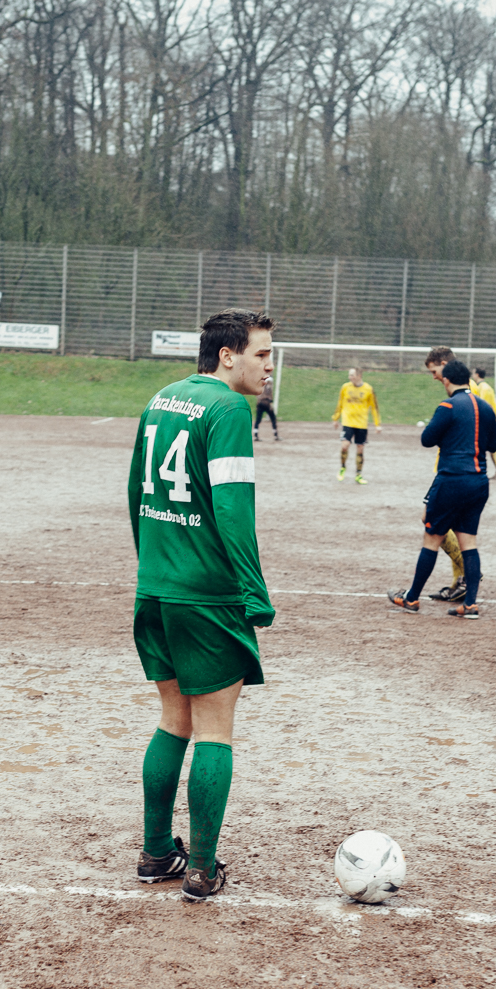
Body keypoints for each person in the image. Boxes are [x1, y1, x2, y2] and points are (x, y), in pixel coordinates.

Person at [128, 308, 275, 904]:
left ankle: (156, 852)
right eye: (262, 354)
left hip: (156, 587)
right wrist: (253, 588)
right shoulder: (228, 410)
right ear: (227, 356)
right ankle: (202, 869)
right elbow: (233, 508)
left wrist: (151, 565)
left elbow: (135, 489)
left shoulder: (161, 399)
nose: (269, 366)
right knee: (215, 728)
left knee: (174, 718)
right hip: (208, 595)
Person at [389, 357, 496, 619]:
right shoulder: (485, 407)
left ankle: (411, 598)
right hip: (479, 481)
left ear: (447, 380)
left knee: (432, 538)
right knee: (468, 542)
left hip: (451, 480)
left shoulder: (447, 405)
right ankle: (470, 605)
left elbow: (427, 439)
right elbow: (493, 445)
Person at [421, 347, 467, 605]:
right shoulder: (461, 390)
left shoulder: (465, 393)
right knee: (455, 527)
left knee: (430, 519)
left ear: (444, 363)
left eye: (434, 371)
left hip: (454, 471)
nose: (435, 377)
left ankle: (468, 572)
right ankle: (459, 583)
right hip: (455, 469)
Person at [331, 366, 380, 483]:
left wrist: (377, 424)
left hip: (362, 424)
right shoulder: (345, 387)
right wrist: (336, 418)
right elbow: (340, 403)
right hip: (348, 422)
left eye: (352, 375)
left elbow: (374, 408)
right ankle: (343, 467)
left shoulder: (368, 389)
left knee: (360, 449)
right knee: (345, 445)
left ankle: (358, 474)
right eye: (349, 375)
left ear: (359, 376)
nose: (350, 377)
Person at [471, 365, 496, 480]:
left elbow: (482, 405)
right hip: (490, 419)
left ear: (477, 375)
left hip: (486, 420)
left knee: (484, 446)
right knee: (489, 447)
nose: (472, 375)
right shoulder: (486, 387)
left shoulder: (483, 388)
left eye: (473, 373)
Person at [253, 373, 279, 441]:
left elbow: (257, 395)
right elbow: (269, 397)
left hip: (260, 403)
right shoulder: (268, 387)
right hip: (266, 404)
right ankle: (275, 435)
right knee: (273, 418)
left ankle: (255, 435)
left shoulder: (260, 387)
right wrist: (270, 404)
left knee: (258, 419)